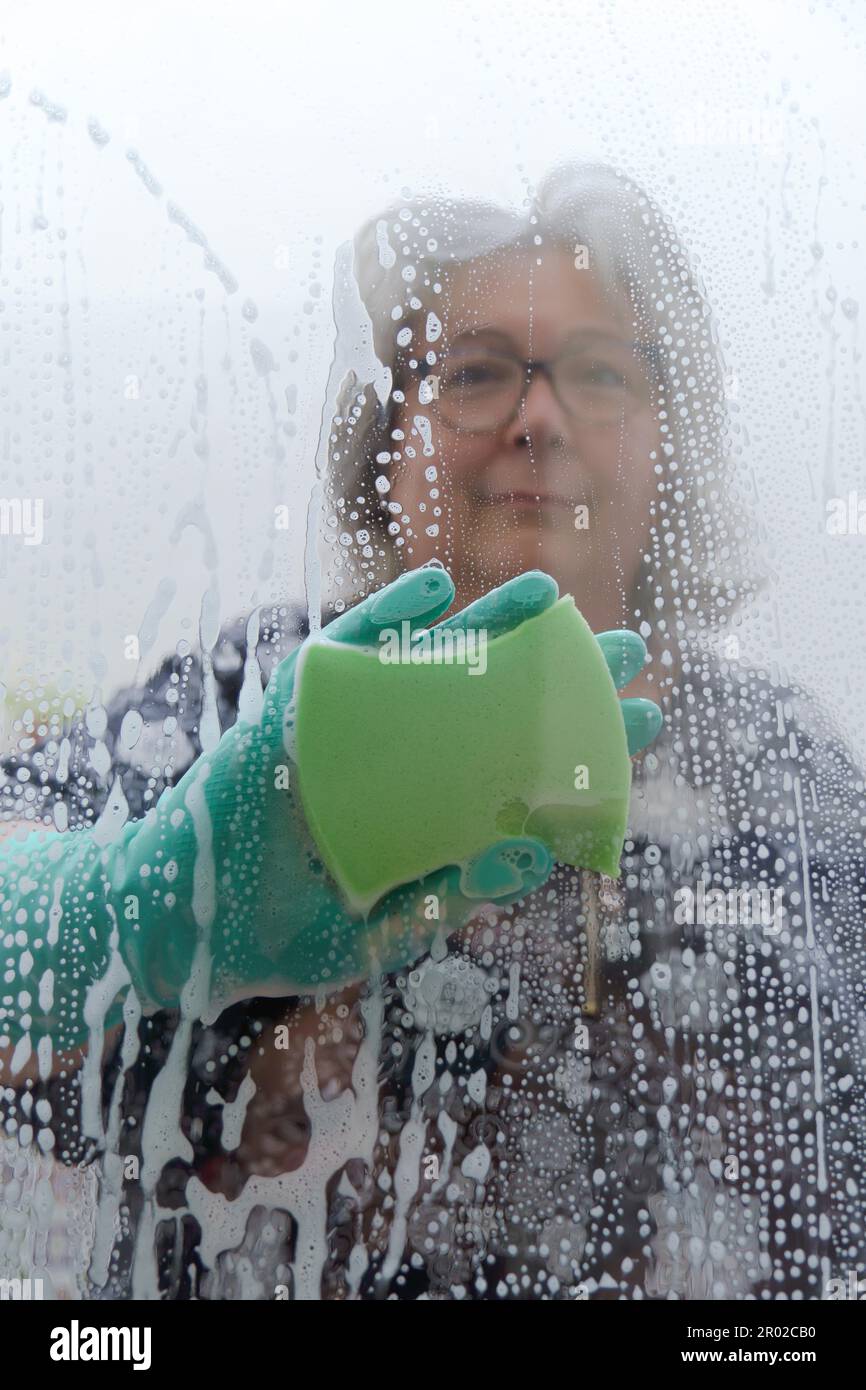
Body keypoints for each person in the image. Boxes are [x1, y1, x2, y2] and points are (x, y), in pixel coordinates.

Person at [1, 161, 863, 1301]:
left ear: (667, 437)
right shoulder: (254, 699)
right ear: (382, 442)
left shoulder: (788, 785)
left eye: (599, 373)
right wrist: (121, 910)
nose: (537, 416)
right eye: (474, 372)